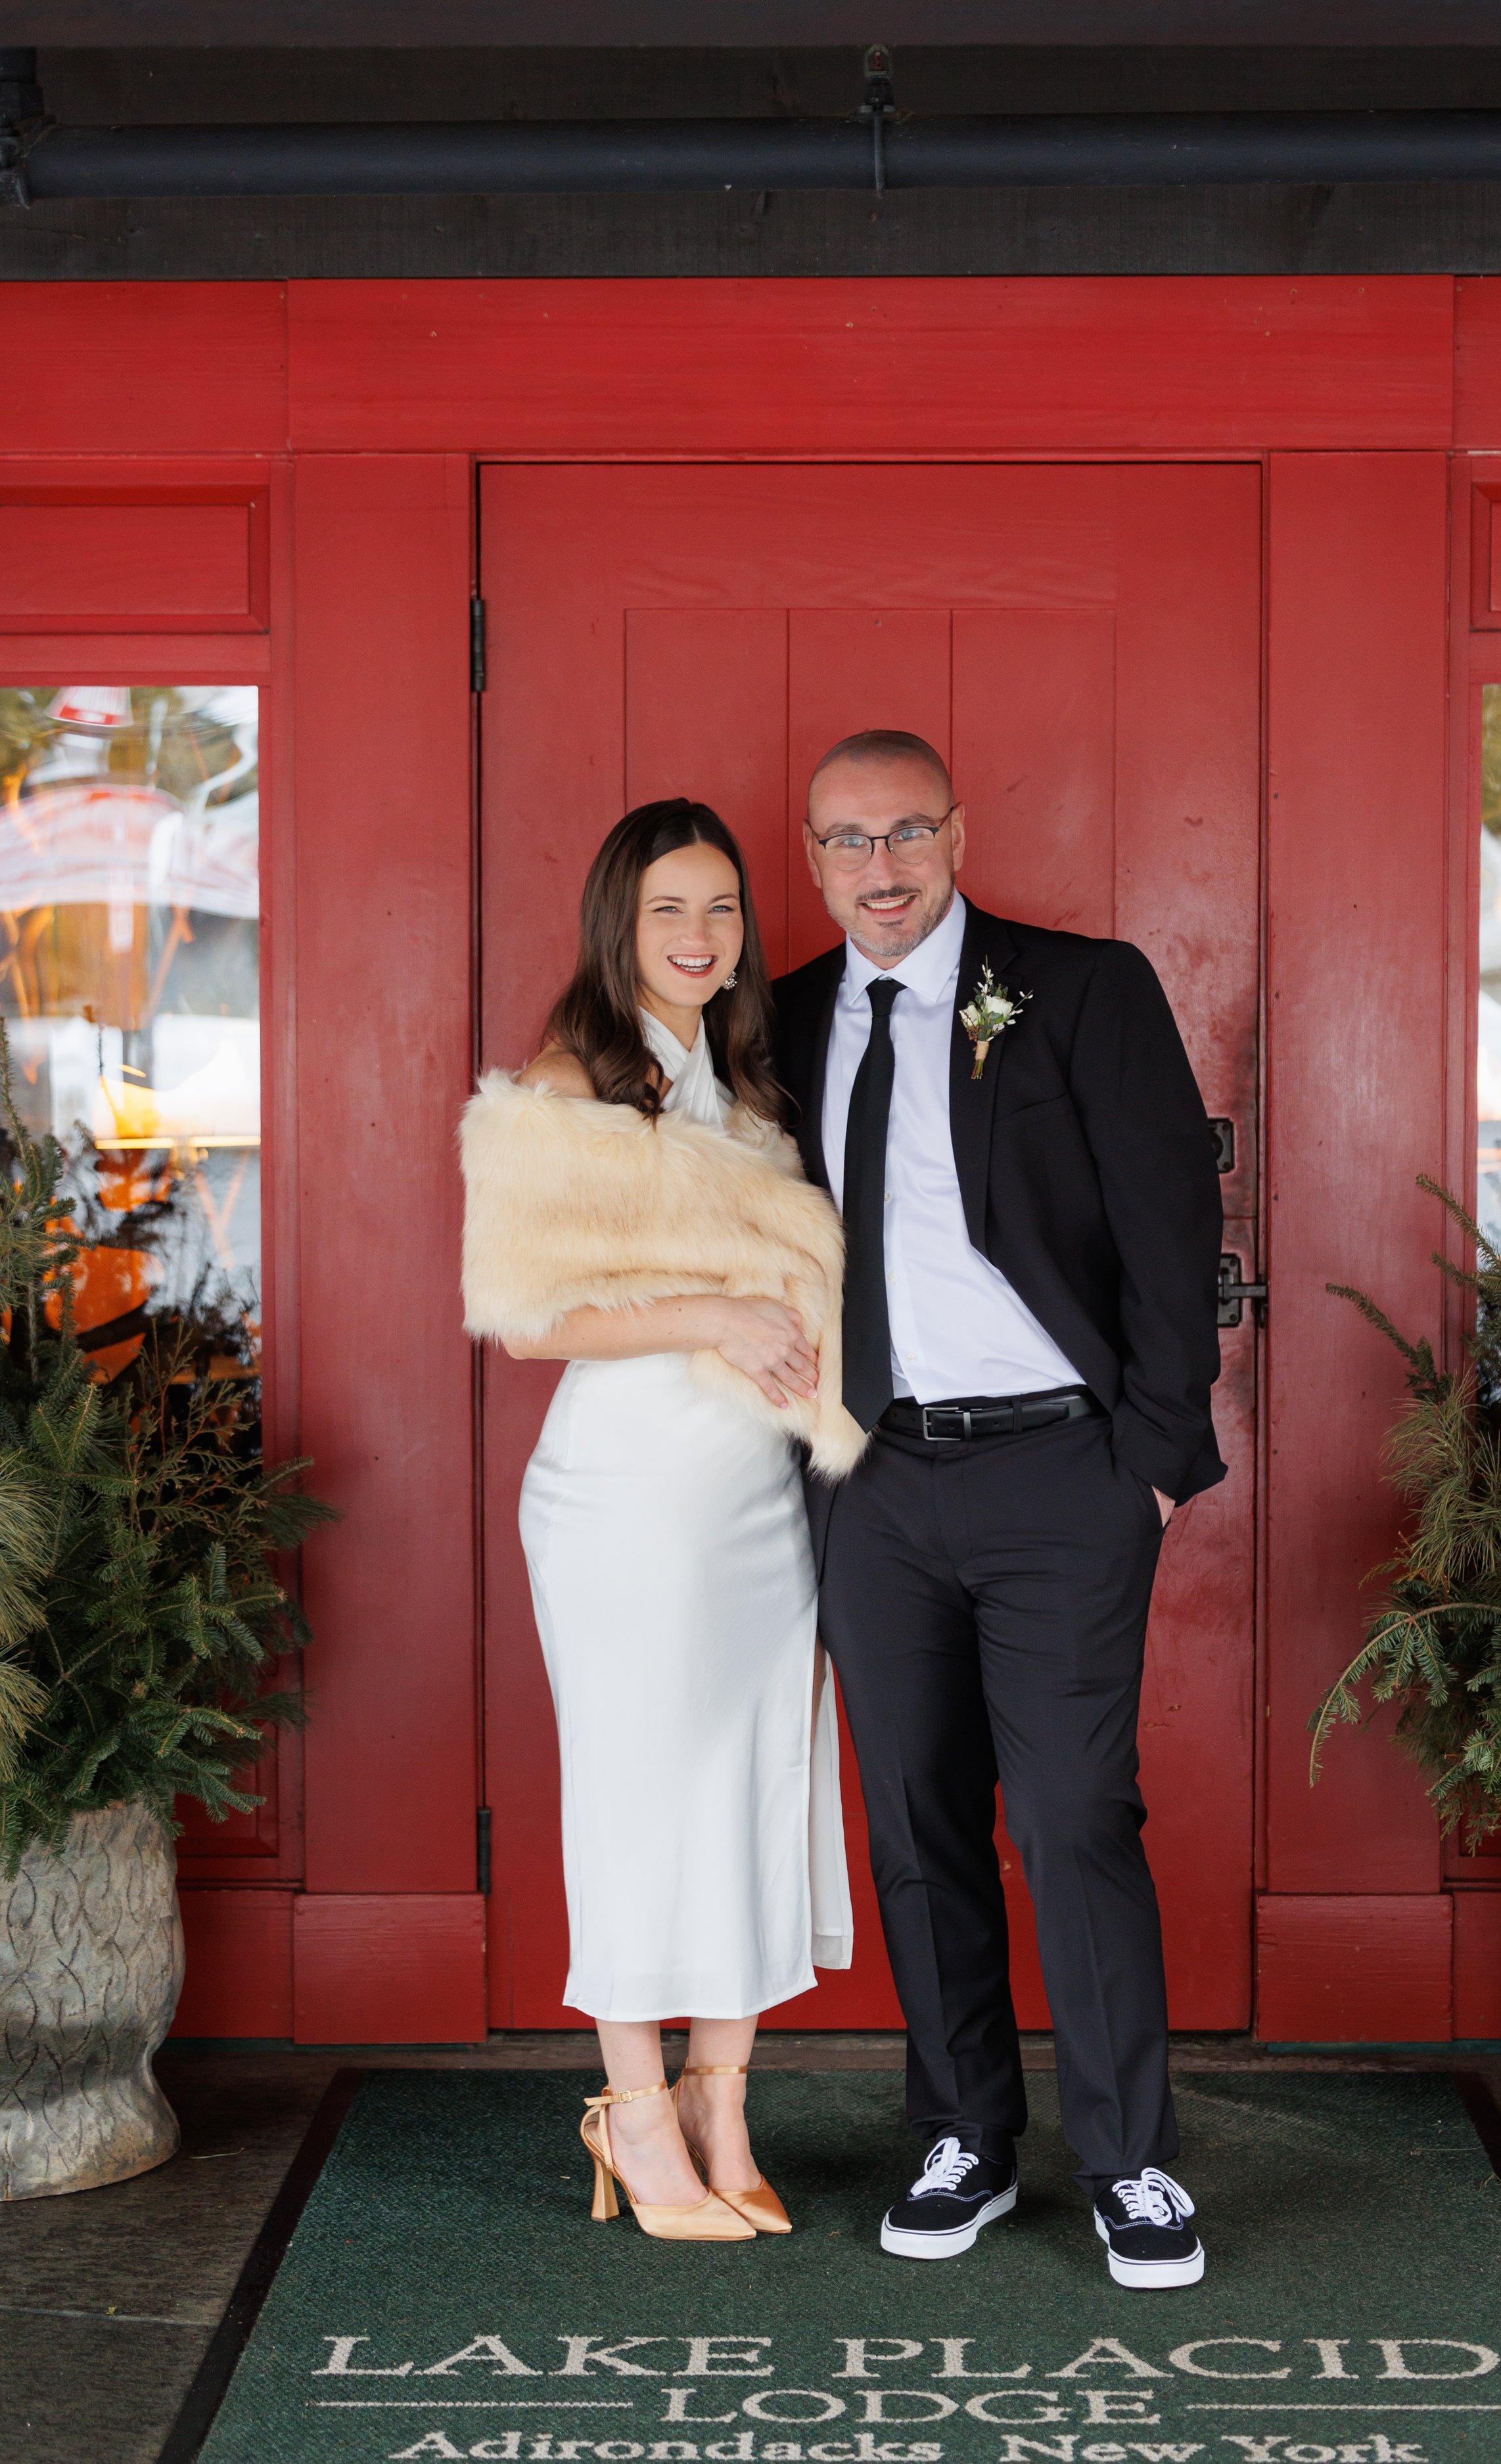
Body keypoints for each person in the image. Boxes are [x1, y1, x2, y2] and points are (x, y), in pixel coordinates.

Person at [772, 730, 1225, 2287]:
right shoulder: (780, 1020)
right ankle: (960, 2134)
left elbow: (1171, 1227)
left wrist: (1149, 1461)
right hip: (869, 1476)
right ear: (812, 857)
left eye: (905, 831)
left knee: (1070, 1812)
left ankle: (1127, 2160)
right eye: (846, 841)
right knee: (914, 1818)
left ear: (956, 834)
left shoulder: (1080, 990)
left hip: (1059, 1472)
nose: (879, 867)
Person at [461, 797, 862, 2244]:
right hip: (625, 1497)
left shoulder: (746, 1082)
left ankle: (721, 2103)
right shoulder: (566, 1083)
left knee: (758, 1781)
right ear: (616, 926)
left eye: (721, 908)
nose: (700, 936)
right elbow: (526, 1321)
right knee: (637, 1795)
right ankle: (631, 2113)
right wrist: (715, 1312)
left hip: (753, 1492)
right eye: (667, 911)